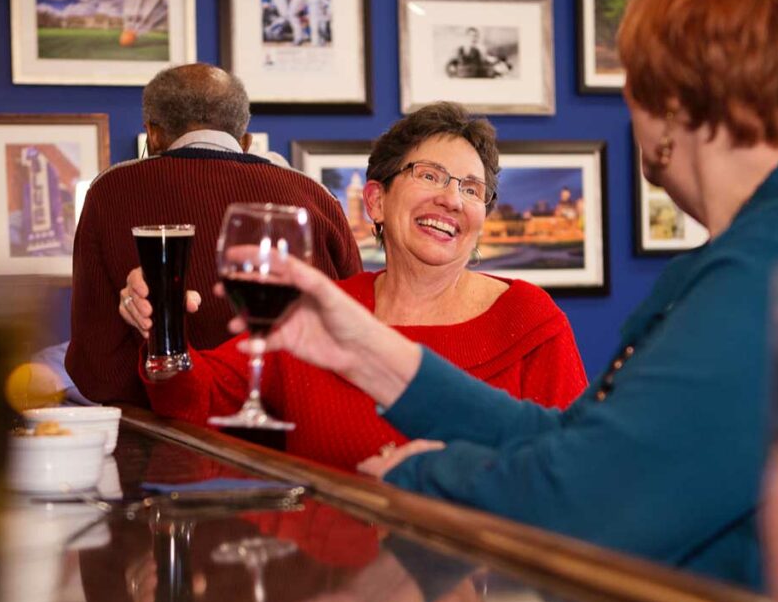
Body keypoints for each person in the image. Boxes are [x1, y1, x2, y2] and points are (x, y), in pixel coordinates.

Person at [233, 0, 778, 589]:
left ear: (679, 96)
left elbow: (595, 500)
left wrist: (428, 473)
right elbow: (584, 440)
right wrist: (365, 350)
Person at [125, 102, 587, 469]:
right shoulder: (328, 309)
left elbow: (573, 470)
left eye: (471, 188)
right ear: (376, 201)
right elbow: (192, 399)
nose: (451, 199)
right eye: (429, 176)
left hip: (471, 581)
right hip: (326, 580)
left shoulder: (529, 319)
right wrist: (161, 320)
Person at [65, 63, 362, 407]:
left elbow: (96, 368)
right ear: (246, 141)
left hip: (167, 427)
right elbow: (358, 323)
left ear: (153, 135)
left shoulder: (111, 192)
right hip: (301, 422)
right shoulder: (313, 195)